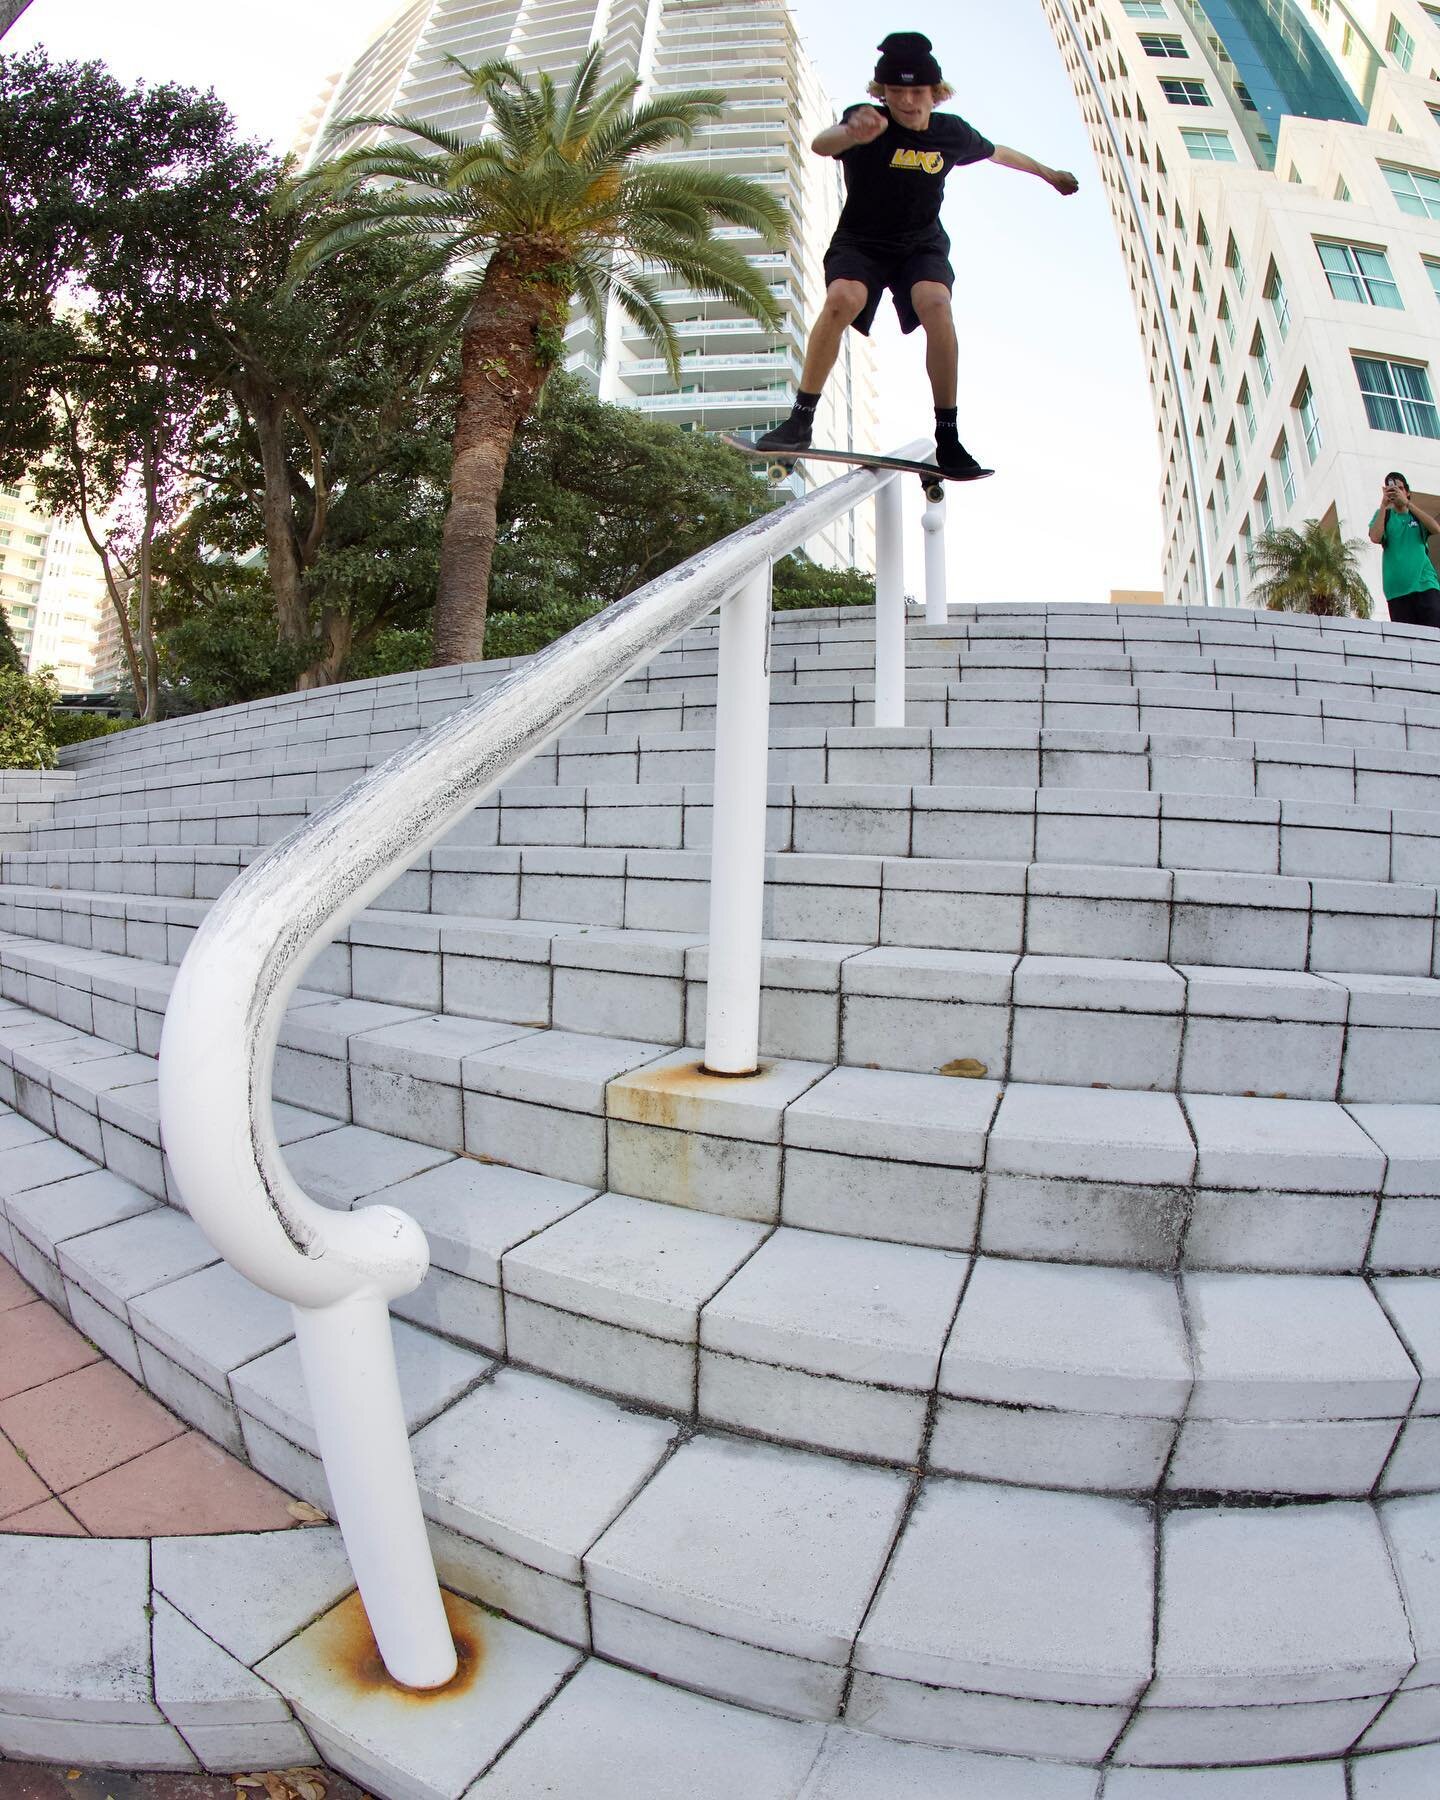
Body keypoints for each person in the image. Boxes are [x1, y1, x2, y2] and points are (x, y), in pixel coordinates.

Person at [755, 30, 1079, 478]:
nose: (907, 102)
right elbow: (822, 144)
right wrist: (851, 131)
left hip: (920, 245)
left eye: (917, 92)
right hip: (861, 242)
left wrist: (1048, 174)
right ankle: (800, 421)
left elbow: (999, 153)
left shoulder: (952, 133)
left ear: (936, 93)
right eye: (896, 92)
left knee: (937, 305)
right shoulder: (866, 119)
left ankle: (948, 437)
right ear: (882, 93)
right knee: (841, 301)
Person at [1369, 471, 1440, 628]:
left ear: (1407, 492)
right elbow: (1375, 537)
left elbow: (1436, 528)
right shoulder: (1384, 516)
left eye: (1400, 488)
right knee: (1409, 645)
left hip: (1425, 585)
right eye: (1392, 489)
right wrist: (1383, 506)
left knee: (1435, 636)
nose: (1397, 492)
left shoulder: (1416, 515)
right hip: (1397, 592)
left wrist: (1408, 504)